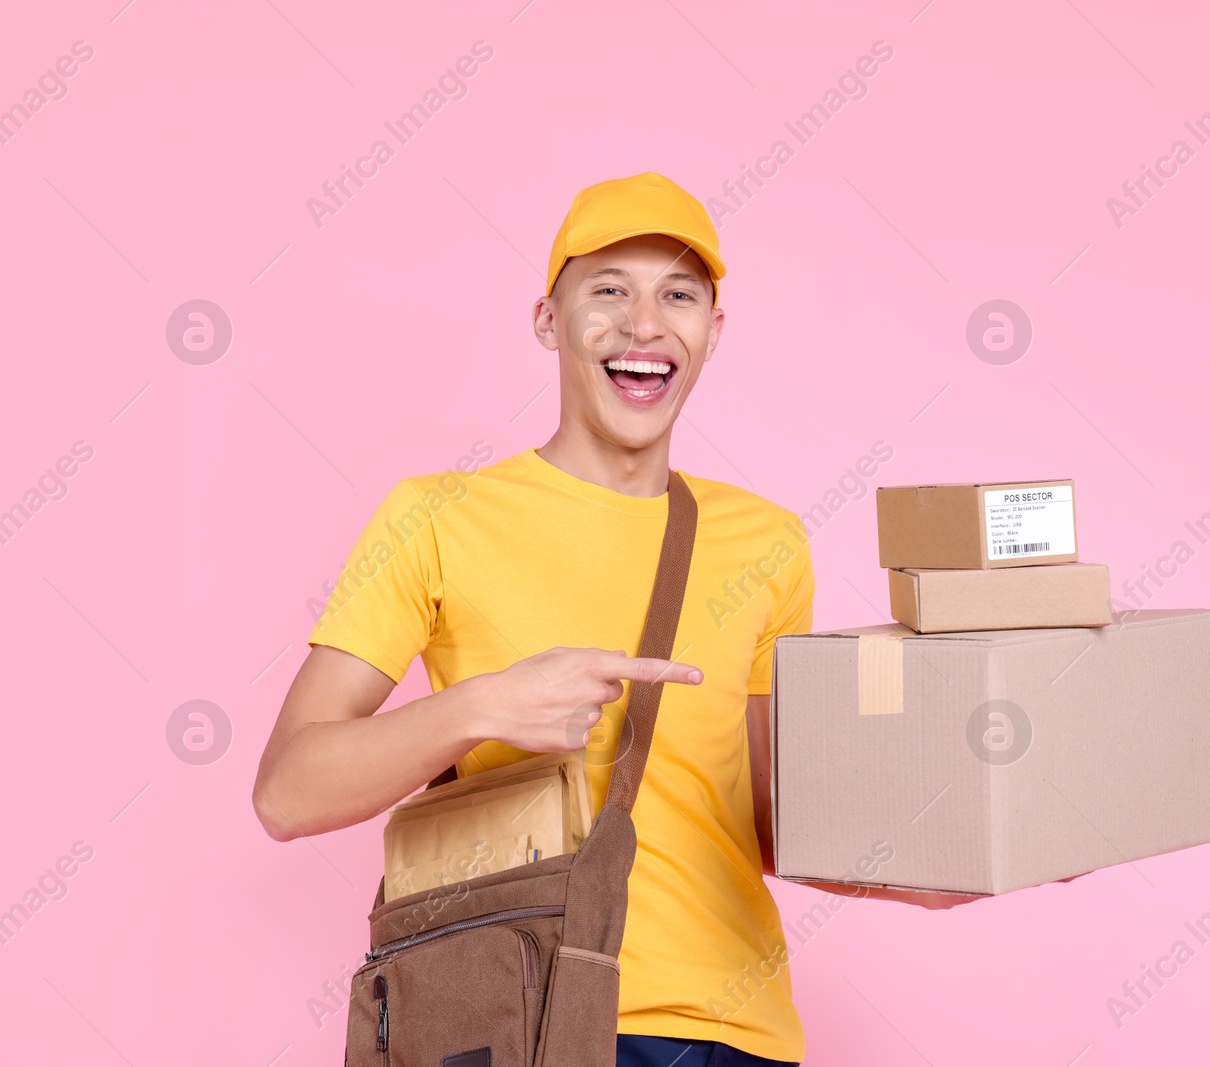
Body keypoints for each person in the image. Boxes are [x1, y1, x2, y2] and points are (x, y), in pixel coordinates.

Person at [251, 172, 983, 1067]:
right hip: (527, 1017)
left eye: (678, 294)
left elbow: (765, 815)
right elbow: (287, 791)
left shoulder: (767, 540)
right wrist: (483, 706)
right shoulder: (434, 517)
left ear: (714, 332)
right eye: (608, 291)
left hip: (736, 1032)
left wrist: (932, 870)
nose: (644, 325)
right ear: (547, 320)